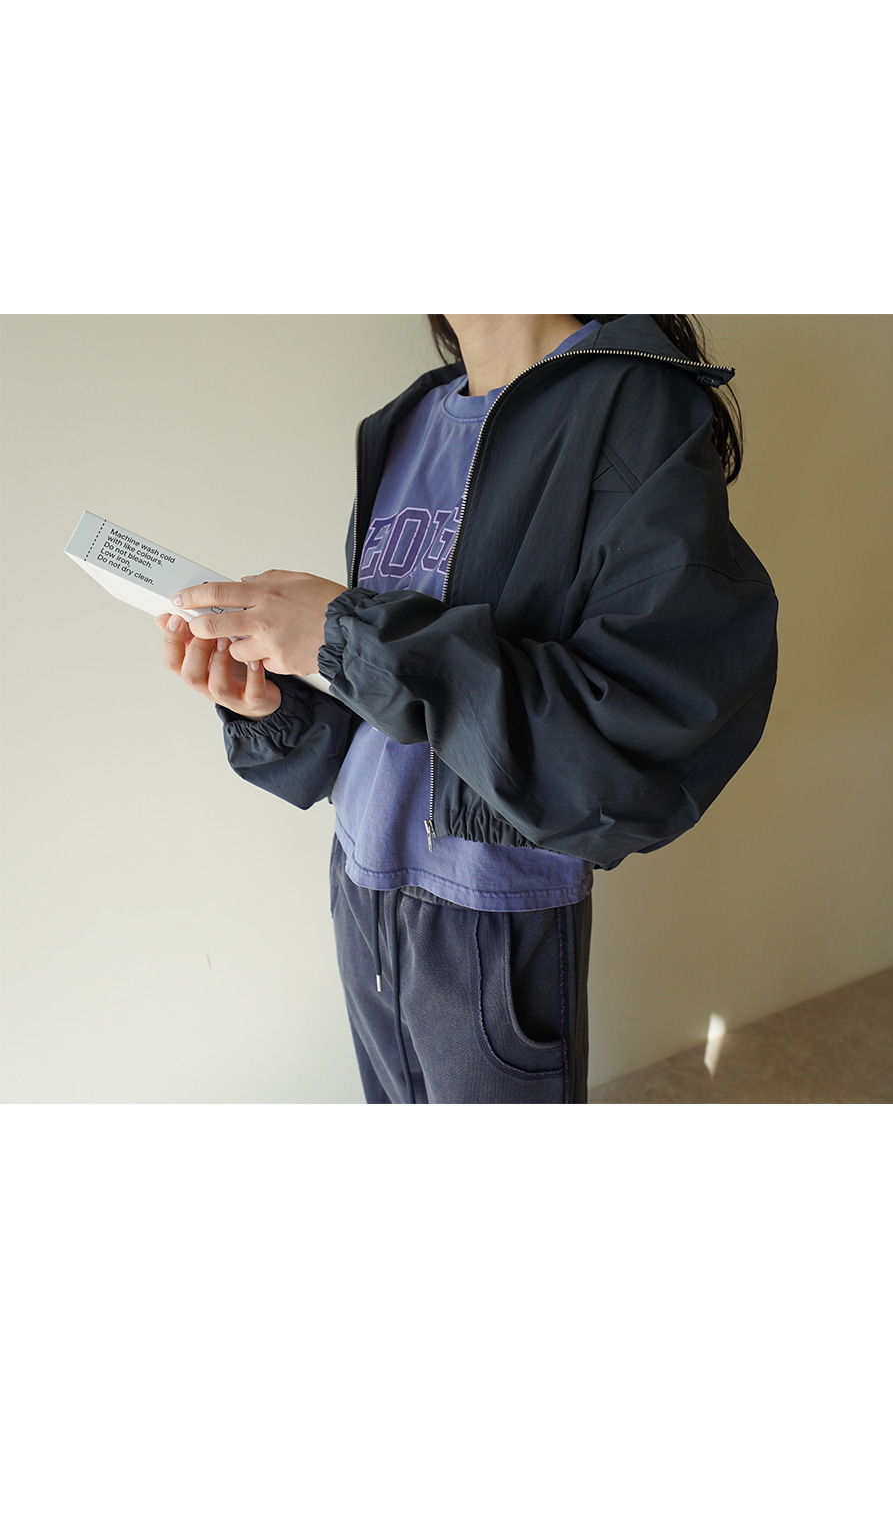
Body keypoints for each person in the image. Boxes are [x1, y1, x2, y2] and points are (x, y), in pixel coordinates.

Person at [158, 315, 778, 1106]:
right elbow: (405, 720)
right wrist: (277, 704)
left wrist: (345, 634)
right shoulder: (405, 424)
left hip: (491, 913)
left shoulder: (632, 402)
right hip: (359, 882)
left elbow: (643, 734)